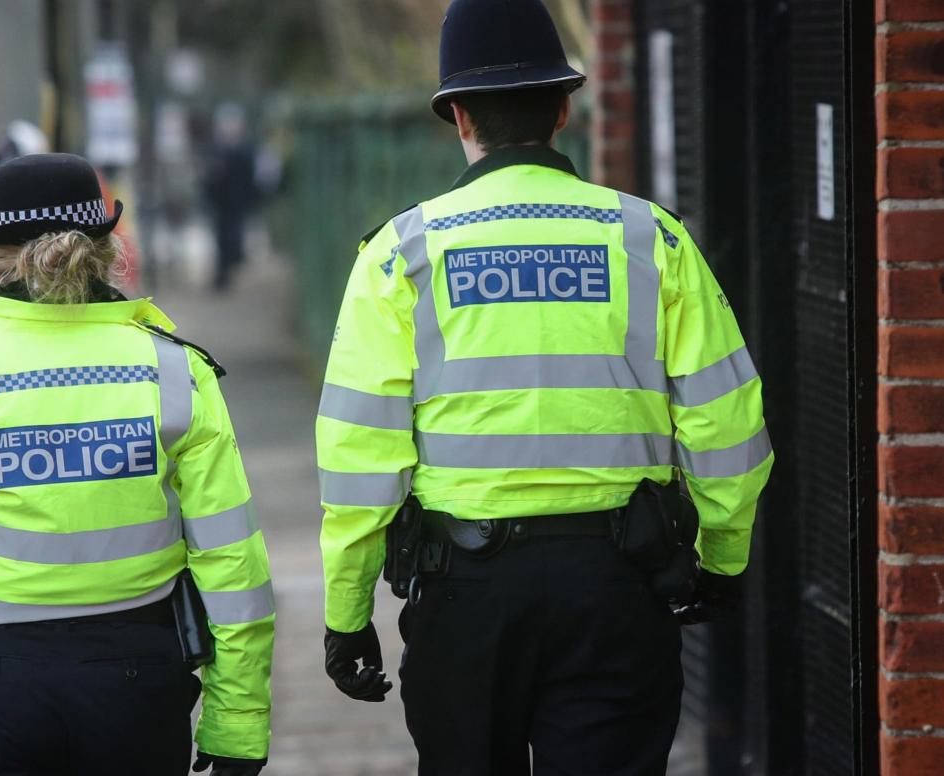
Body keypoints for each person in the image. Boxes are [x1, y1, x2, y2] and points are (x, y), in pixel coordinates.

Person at [315, 1, 773, 774]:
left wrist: (346, 614)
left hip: (464, 600)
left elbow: (361, 461)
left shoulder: (402, 254)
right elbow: (729, 427)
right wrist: (721, 562)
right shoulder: (649, 239)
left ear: (457, 116)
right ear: (565, 108)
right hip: (616, 591)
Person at [0, 153, 274, 775]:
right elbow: (234, 567)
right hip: (141, 688)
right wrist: (238, 720)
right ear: (105, 247)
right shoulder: (176, 372)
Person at [202, 103, 257, 292]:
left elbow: (249, 176)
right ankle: (222, 274)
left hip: (236, 202)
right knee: (221, 239)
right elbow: (209, 177)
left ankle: (230, 267)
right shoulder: (216, 147)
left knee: (233, 236)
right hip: (220, 203)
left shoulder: (243, 148)